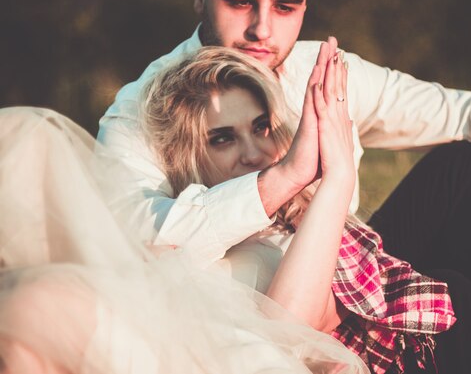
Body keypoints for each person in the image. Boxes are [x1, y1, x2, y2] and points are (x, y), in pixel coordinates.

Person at [98, 0, 471, 369]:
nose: (262, 29)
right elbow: (137, 242)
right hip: (263, 307)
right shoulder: (141, 111)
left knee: (465, 171)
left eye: (286, 6)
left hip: (353, 266)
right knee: (456, 303)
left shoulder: (322, 68)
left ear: (306, 2)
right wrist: (282, 179)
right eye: (241, 1)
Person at [0, 107, 369, 374]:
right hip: (114, 331)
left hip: (208, 356)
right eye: (222, 138)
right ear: (190, 155)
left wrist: (337, 176)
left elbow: (292, 327)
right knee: (25, 132)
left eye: (262, 128)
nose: (254, 153)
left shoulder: (304, 233)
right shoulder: (165, 228)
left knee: (36, 302)